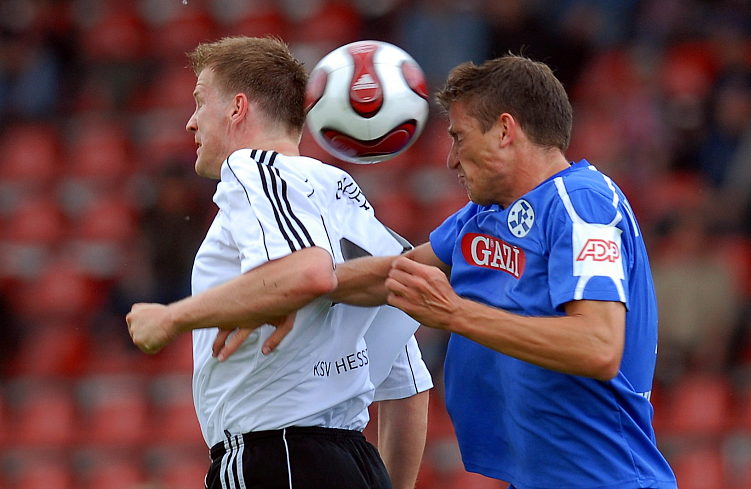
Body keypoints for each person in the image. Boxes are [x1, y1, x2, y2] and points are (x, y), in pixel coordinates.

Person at [324, 55, 678, 488]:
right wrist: (294, 290)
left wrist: (455, 313)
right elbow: (396, 277)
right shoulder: (484, 215)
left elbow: (598, 347)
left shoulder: (582, 203)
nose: (451, 159)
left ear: (505, 130)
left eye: (459, 137)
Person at [125, 36, 432, 489]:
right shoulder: (356, 211)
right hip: (357, 464)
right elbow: (407, 389)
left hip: (278, 456)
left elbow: (307, 272)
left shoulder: (254, 169)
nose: (191, 122)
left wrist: (172, 317)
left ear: (237, 108)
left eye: (200, 101)